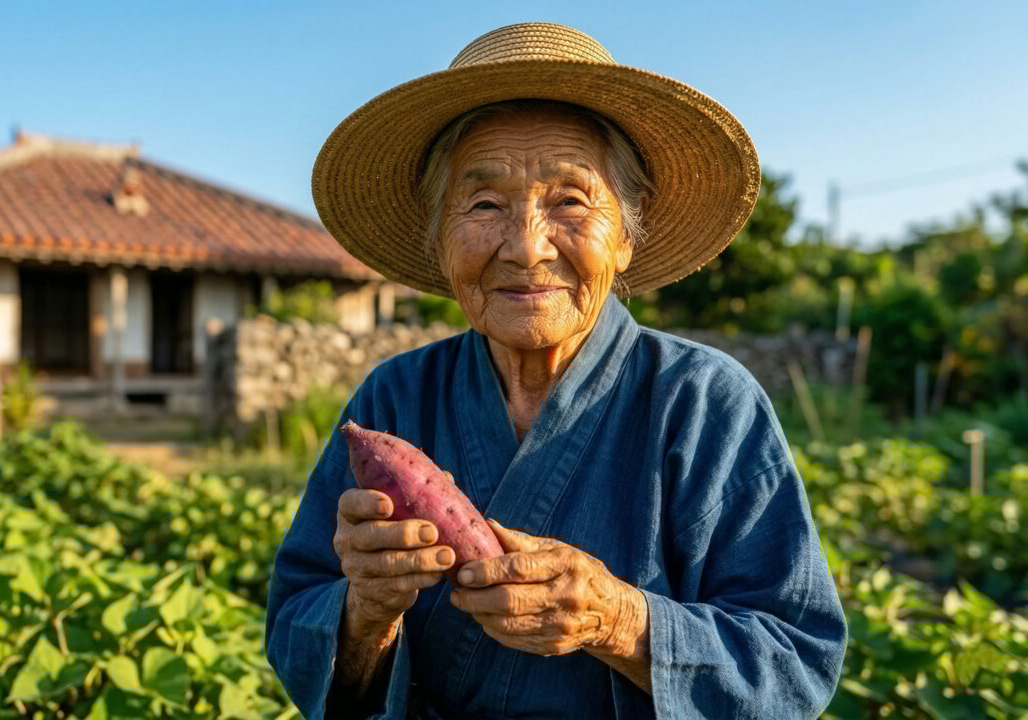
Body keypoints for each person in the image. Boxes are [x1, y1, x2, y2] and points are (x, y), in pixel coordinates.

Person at [266, 22, 847, 719]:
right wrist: (366, 610)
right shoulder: (394, 398)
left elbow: (798, 663)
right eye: (484, 205)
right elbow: (299, 628)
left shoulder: (706, 403)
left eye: (570, 201)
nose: (527, 248)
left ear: (626, 236)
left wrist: (620, 621)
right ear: (440, 238)